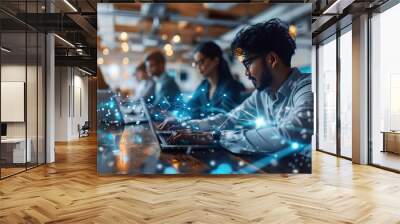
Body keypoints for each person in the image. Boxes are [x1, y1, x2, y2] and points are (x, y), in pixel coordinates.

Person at [162, 18, 313, 156]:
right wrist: (186, 125)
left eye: (248, 64)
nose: (246, 73)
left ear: (272, 60)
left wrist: (215, 137)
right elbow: (230, 119)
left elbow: (289, 134)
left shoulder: (308, 87)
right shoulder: (262, 94)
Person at [180, 41, 243, 120]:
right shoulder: (203, 85)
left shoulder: (231, 86)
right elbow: (190, 107)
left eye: (201, 61)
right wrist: (176, 117)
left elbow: (225, 117)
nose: (198, 67)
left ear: (215, 60)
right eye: (196, 63)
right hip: (203, 130)